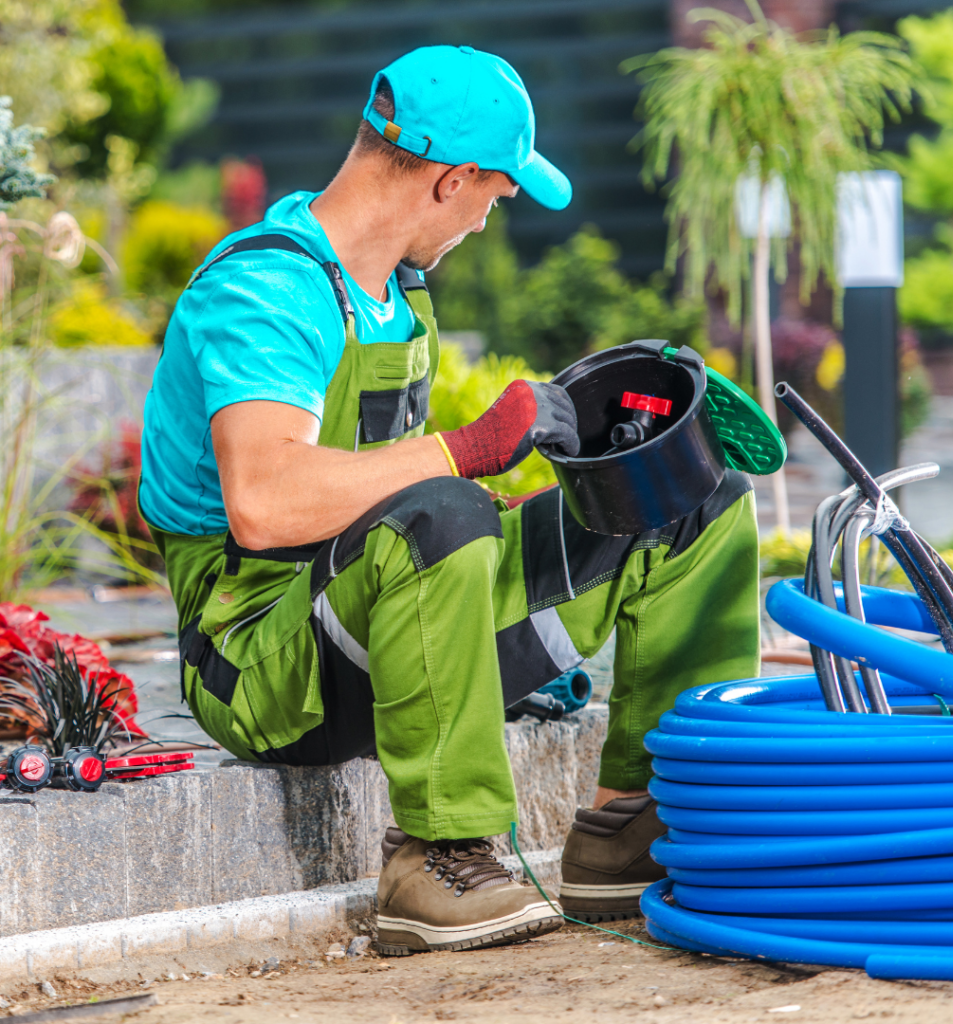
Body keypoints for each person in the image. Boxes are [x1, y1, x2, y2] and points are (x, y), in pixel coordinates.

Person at [140, 44, 760, 956]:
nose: (486, 221)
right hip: (263, 659)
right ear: (451, 181)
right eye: (495, 197)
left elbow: (393, 512)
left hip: (374, 608)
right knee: (445, 512)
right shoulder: (267, 290)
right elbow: (266, 504)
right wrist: (468, 451)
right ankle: (435, 859)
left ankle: (635, 825)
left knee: (681, 501)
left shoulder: (398, 296)